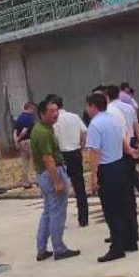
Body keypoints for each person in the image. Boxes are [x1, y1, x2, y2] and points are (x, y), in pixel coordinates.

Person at [85, 92, 134, 262]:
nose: (87, 110)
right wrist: (129, 151)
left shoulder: (95, 125)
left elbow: (94, 152)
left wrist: (93, 177)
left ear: (93, 106)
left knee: (111, 210)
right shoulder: (114, 120)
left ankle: (117, 247)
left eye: (88, 106)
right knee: (123, 206)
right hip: (119, 165)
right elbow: (122, 140)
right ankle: (129, 241)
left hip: (106, 169)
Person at [32, 98, 80, 261]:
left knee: (48, 212)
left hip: (44, 174)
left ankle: (41, 249)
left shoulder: (41, 129)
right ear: (42, 114)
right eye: (52, 111)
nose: (56, 114)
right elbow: (48, 159)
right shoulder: (43, 133)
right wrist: (57, 181)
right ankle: (59, 248)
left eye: (56, 110)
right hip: (52, 173)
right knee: (57, 213)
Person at [51, 94, 89, 227]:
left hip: (61, 155)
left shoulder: (54, 121)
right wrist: (82, 147)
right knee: (80, 186)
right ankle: (83, 218)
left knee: (60, 187)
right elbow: (84, 132)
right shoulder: (74, 117)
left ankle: (60, 219)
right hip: (75, 152)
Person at [14, 102, 37, 189]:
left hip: (21, 143)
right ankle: (39, 180)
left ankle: (26, 182)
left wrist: (17, 141)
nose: (33, 111)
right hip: (29, 140)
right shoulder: (28, 118)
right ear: (29, 108)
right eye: (33, 109)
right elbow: (24, 130)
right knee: (36, 161)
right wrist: (20, 138)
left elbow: (15, 131)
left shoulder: (19, 118)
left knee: (25, 163)